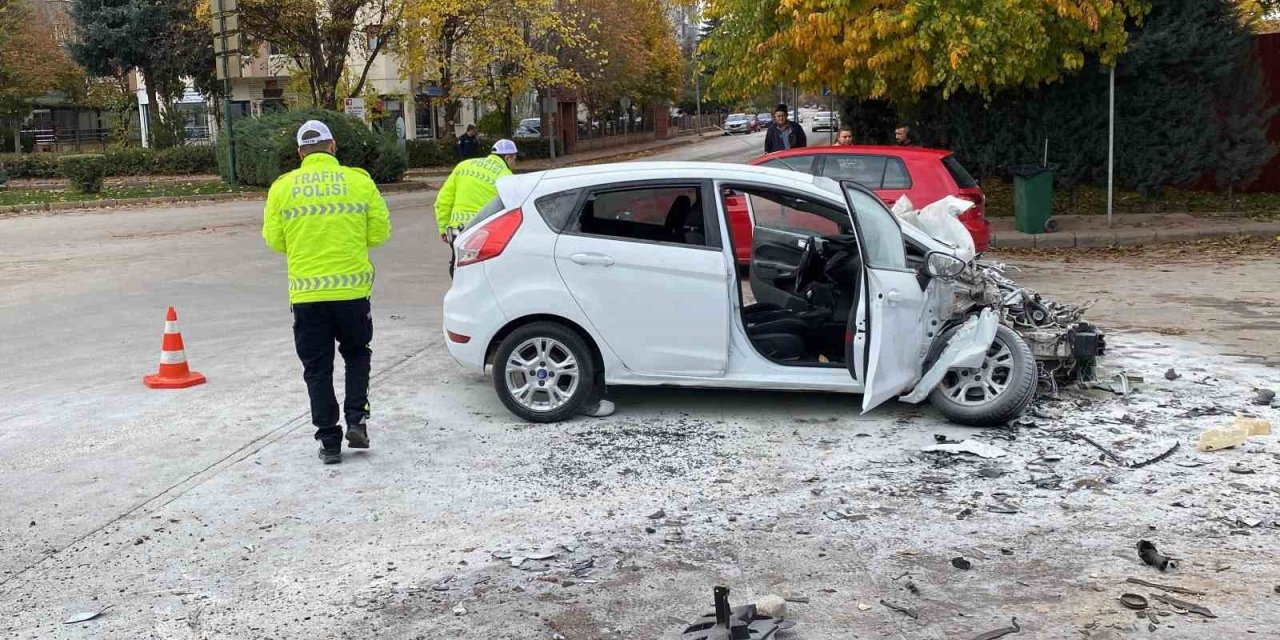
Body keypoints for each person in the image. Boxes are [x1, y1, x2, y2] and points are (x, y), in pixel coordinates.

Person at [263, 120, 391, 465]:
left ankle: (329, 441)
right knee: (357, 354)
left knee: (317, 368)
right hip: (351, 292)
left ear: (300, 153)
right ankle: (356, 419)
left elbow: (275, 241)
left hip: (307, 297)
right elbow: (379, 233)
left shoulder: (282, 187)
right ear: (333, 147)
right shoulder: (359, 181)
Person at [435, 138, 519, 275]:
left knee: (458, 268)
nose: (515, 163)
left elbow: (443, 200)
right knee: (480, 273)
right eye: (515, 159)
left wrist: (443, 227)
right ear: (508, 157)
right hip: (483, 234)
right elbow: (512, 208)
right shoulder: (506, 176)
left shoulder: (463, 166)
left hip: (456, 230)